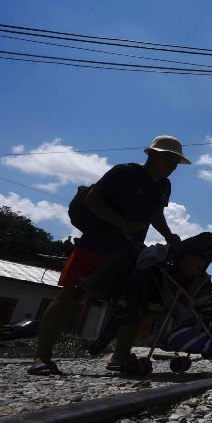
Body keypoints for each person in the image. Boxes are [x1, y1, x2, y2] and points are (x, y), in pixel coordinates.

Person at [28, 136, 189, 376]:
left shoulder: (163, 186)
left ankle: (120, 355)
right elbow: (92, 198)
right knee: (70, 295)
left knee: (133, 301)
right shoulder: (124, 173)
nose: (173, 166)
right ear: (151, 154)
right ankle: (42, 357)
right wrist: (121, 224)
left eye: (176, 161)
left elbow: (155, 213)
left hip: (130, 251)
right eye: (168, 158)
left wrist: (168, 235)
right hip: (96, 244)